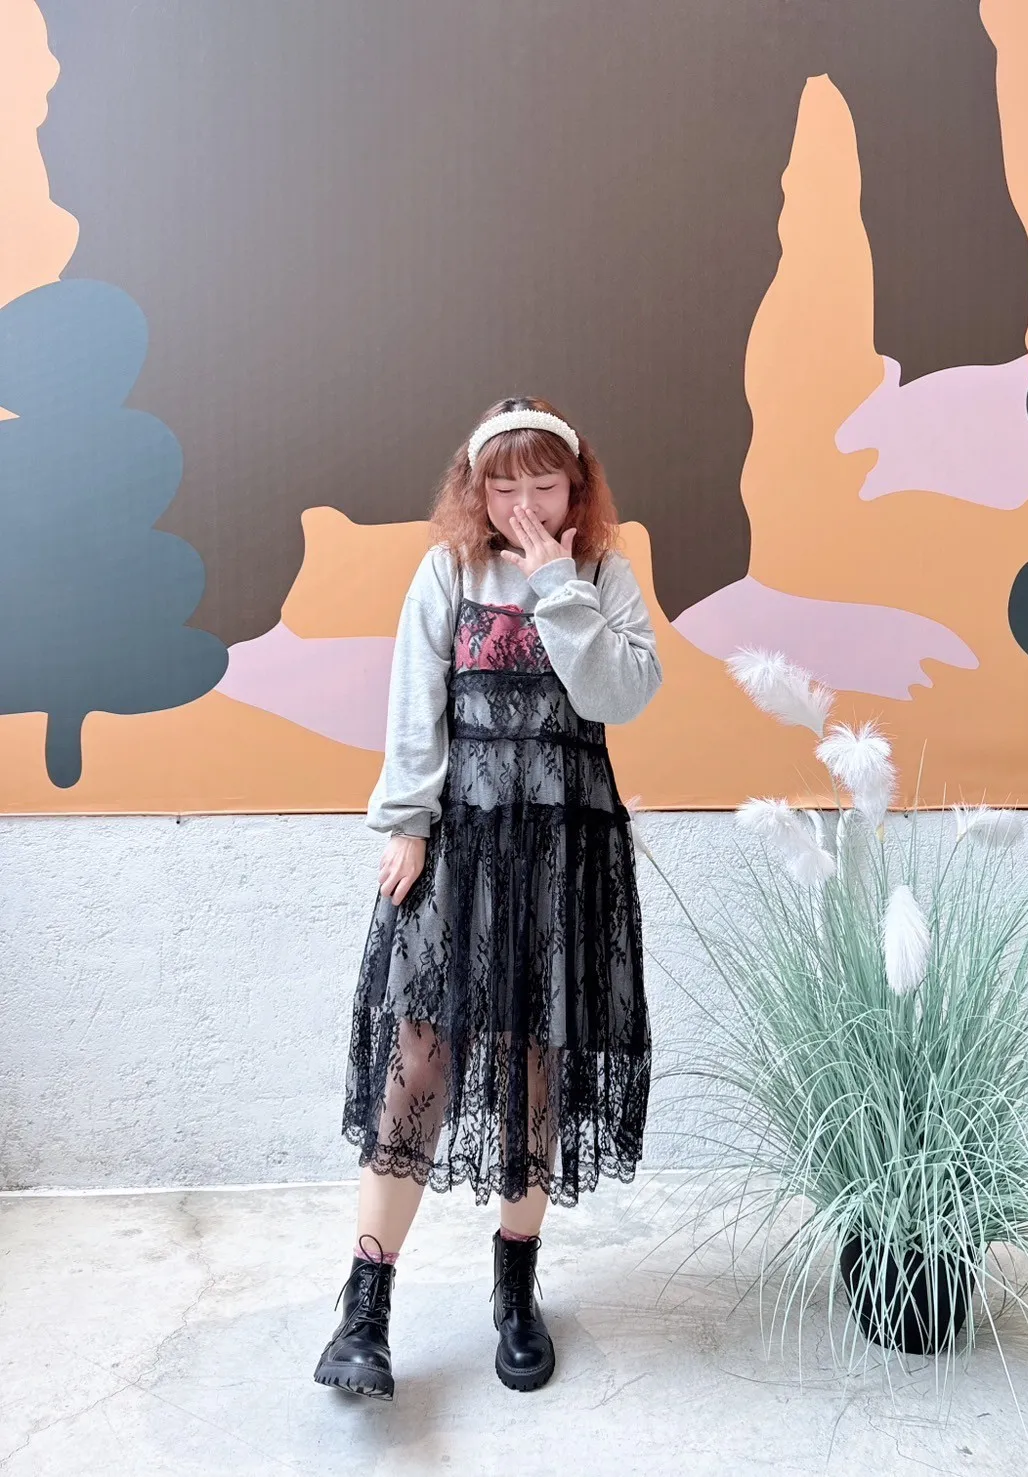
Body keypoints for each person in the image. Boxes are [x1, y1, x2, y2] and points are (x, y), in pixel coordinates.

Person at [313, 396, 662, 1399]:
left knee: (535, 1065)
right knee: (419, 1058)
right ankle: (365, 1308)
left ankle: (515, 1289)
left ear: (576, 486)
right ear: (475, 489)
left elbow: (619, 695)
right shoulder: (447, 572)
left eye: (543, 483)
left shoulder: (604, 575)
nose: (522, 503)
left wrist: (555, 582)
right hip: (460, 845)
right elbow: (414, 703)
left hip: (562, 850)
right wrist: (406, 821)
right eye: (503, 484)